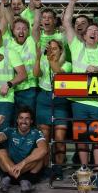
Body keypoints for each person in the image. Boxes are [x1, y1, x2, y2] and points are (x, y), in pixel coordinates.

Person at [63, 0, 98, 188]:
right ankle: (84, 168)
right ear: (84, 35)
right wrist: (72, 1)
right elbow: (67, 22)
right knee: (80, 134)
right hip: (78, 100)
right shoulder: (76, 47)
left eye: (96, 30)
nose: (93, 32)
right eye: (90, 30)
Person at [34, 39, 72, 180]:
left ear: (61, 50)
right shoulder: (44, 61)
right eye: (49, 48)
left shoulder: (68, 65)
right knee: (44, 137)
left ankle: (58, 168)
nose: (52, 51)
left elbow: (60, 74)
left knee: (60, 138)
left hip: (60, 101)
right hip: (44, 99)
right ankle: (45, 168)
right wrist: (38, 58)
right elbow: (36, 74)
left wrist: (50, 59)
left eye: (55, 48)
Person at [0, 106, 47, 193]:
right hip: (11, 168)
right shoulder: (10, 131)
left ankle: (11, 180)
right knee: (1, 151)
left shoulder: (36, 132)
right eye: (21, 118)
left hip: (27, 171)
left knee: (39, 152)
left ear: (31, 121)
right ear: (17, 120)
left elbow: (43, 150)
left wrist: (22, 163)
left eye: (27, 118)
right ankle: (22, 180)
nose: (23, 121)